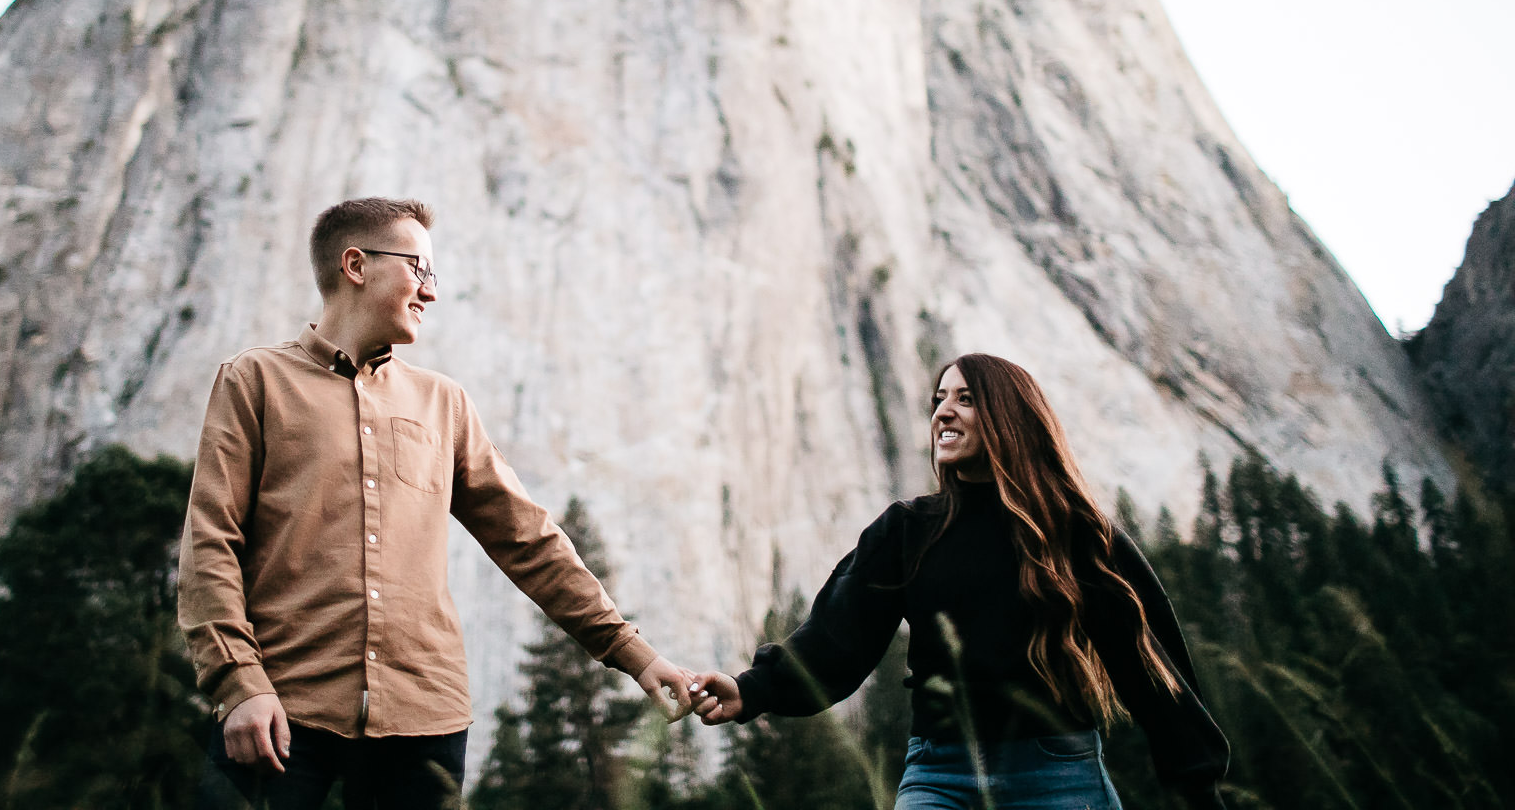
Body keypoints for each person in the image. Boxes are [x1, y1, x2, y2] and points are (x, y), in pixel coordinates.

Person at [179, 197, 695, 810]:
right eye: (419, 270)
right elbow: (211, 542)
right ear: (356, 265)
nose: (431, 292)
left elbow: (528, 542)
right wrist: (238, 683)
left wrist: (636, 657)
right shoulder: (254, 381)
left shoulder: (443, 403)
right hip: (280, 717)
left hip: (425, 723)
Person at [688, 353, 1230, 810]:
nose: (943, 411)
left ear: (1010, 418)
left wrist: (1196, 788)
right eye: (939, 399)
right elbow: (836, 640)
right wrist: (753, 689)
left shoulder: (1077, 535)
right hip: (938, 777)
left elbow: (1152, 667)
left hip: (1056, 776)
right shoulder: (907, 531)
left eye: (965, 398)